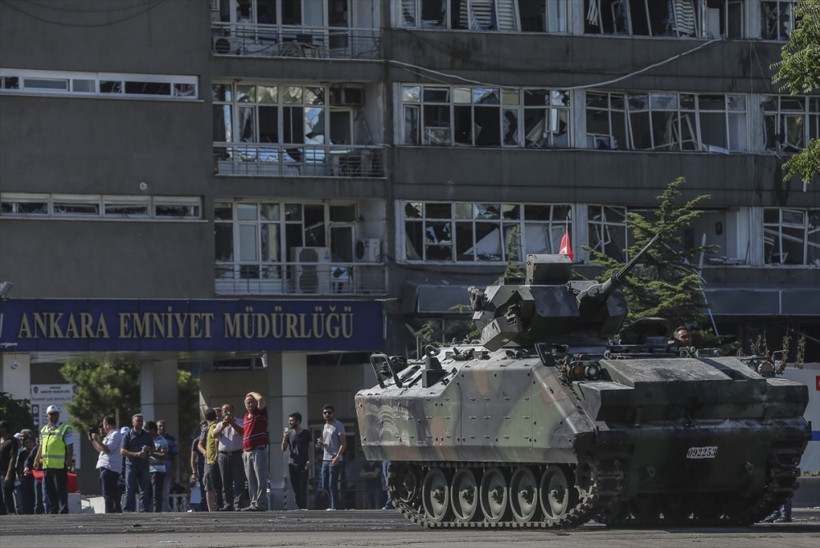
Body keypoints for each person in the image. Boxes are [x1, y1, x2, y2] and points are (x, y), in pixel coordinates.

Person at [34, 405, 74, 514]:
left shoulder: (65, 428)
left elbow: (70, 445)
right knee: (49, 489)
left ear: (58, 415)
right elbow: (41, 446)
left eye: (55, 413)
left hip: (60, 465)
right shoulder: (44, 430)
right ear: (47, 416)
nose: (53, 416)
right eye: (51, 414)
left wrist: (69, 459)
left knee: (61, 489)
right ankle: (54, 509)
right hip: (47, 465)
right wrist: (36, 459)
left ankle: (64, 509)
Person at [237, 391, 269, 511]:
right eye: (247, 402)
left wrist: (250, 393)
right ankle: (254, 502)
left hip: (258, 450)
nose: (250, 405)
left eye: (252, 402)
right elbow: (244, 431)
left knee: (260, 478)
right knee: (251, 480)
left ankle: (261, 503)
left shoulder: (260, 413)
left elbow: (260, 399)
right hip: (247, 451)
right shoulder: (246, 416)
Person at [212, 403, 245, 511]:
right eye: (225, 410)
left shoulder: (240, 421)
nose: (227, 412)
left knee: (238, 480)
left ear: (233, 411)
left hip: (237, 454)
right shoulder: (220, 424)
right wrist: (224, 425)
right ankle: (228, 504)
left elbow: (243, 431)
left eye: (229, 410)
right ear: (221, 413)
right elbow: (214, 434)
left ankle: (238, 504)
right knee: (225, 481)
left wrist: (232, 423)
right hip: (223, 455)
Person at [89, 416, 122, 513]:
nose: (103, 428)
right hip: (106, 467)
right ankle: (116, 512)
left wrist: (98, 440)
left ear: (107, 425)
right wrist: (93, 441)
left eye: (104, 425)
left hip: (110, 467)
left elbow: (108, 450)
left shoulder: (115, 434)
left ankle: (109, 514)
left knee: (108, 494)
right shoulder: (109, 435)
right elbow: (101, 450)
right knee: (113, 494)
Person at [120, 413, 153, 512]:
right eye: (138, 421)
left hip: (144, 465)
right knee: (130, 489)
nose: (140, 423)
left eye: (141, 421)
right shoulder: (127, 435)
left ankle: (144, 509)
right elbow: (122, 451)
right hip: (131, 465)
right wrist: (136, 454)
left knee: (144, 489)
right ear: (133, 422)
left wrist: (148, 449)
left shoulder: (147, 435)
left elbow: (154, 448)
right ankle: (128, 510)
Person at [316, 403, 346, 511]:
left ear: (333, 413)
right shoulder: (324, 426)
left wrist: (338, 456)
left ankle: (334, 506)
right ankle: (338, 504)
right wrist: (321, 443)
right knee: (324, 484)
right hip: (325, 458)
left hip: (334, 458)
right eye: (325, 413)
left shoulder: (338, 425)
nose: (327, 414)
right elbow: (327, 442)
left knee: (332, 484)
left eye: (329, 412)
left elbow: (343, 443)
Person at [281, 411, 311, 510]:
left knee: (302, 487)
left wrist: (309, 460)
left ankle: (303, 508)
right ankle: (298, 507)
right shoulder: (289, 434)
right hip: (292, 464)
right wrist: (284, 438)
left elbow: (310, 448)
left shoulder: (306, 433)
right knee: (295, 488)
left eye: (292, 420)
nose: (290, 422)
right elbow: (283, 449)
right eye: (289, 420)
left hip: (303, 464)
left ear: (298, 421)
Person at [198, 408, 223, 511]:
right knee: (210, 484)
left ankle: (216, 507)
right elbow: (200, 444)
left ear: (205, 417)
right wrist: (204, 452)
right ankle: (212, 508)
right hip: (210, 460)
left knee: (214, 485)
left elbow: (216, 440)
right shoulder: (208, 428)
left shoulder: (215, 426)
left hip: (214, 460)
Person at [145, 420, 168, 513]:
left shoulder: (162, 441)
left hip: (158, 470)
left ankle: (157, 513)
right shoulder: (146, 440)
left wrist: (151, 452)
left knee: (156, 495)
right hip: (147, 470)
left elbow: (164, 456)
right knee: (147, 494)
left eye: (148, 430)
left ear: (153, 430)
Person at [157, 419, 179, 512]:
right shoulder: (153, 439)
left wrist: (175, 471)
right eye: (160, 426)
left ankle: (164, 511)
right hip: (155, 469)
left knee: (165, 494)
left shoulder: (171, 439)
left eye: (163, 426)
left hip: (167, 468)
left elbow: (175, 455)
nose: (162, 428)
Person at [15, 429, 38, 514]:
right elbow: (19, 466)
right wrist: (20, 476)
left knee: (36, 501)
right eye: (20, 437)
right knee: (25, 502)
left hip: (36, 479)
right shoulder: (22, 453)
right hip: (25, 480)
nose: (22, 439)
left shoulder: (37, 451)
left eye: (23, 437)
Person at [0, 420, 17, 515]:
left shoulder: (12, 441)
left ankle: (11, 512)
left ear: (4, 429)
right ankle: (2, 514)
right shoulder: (0, 440)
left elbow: (13, 458)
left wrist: (8, 474)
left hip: (6, 472)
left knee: (6, 492)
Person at [190, 420, 207, 511]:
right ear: (200, 428)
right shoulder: (197, 441)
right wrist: (194, 472)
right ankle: (204, 509)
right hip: (201, 468)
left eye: (206, 426)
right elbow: (193, 457)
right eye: (203, 426)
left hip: (211, 466)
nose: (205, 428)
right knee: (203, 489)